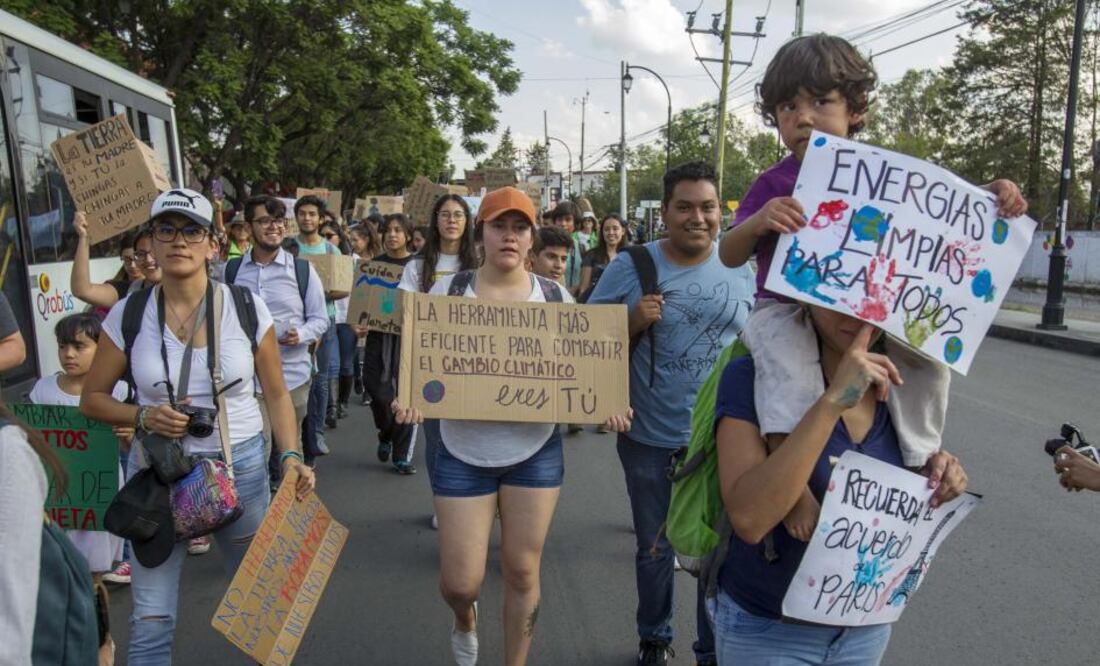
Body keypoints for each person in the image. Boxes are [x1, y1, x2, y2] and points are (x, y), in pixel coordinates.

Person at [716, 34, 1027, 536]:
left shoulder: (882, 173)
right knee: (786, 379)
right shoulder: (774, 182)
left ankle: (921, 457)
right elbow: (730, 254)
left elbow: (941, 209)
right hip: (787, 310)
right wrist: (758, 224)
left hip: (870, 310)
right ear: (775, 117)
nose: (805, 116)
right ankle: (794, 495)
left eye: (821, 101)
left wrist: (989, 199)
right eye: (788, 106)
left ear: (854, 110)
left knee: (929, 364)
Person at [392, 186, 633, 666]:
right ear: (481, 233)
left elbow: (583, 369)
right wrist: (411, 396)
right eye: (499, 225)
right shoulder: (449, 292)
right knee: (461, 583)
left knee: (523, 572)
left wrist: (607, 403)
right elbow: (421, 363)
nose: (510, 236)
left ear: (531, 237)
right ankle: (465, 618)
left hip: (534, 454)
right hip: (461, 452)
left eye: (519, 227)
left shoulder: (555, 297)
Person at [80, 188, 316, 665]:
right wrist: (143, 415)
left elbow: (275, 393)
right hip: (156, 474)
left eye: (191, 230)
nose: (178, 241)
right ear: (152, 242)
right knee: (151, 620)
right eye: (166, 230)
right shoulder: (130, 313)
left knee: (261, 608)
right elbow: (92, 399)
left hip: (240, 470)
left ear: (213, 243)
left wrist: (290, 455)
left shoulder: (246, 307)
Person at [711, 310, 969, 664]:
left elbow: (898, 498)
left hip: (862, 631)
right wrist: (832, 403)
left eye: (872, 297)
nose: (855, 313)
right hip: (768, 631)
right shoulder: (751, 376)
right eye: (841, 296)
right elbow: (750, 519)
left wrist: (941, 471)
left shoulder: (905, 390)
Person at [588, 161, 755, 666]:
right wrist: (631, 320)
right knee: (656, 548)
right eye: (685, 207)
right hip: (650, 436)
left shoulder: (744, 266)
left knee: (717, 555)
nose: (697, 218)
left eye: (707, 207)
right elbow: (581, 339)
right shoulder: (632, 265)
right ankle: (655, 638)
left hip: (726, 439)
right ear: (664, 213)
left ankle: (710, 649)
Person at [29, 312, 131, 661]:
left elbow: (132, 446)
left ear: (101, 350)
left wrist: (128, 434)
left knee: (92, 580)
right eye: (63, 346)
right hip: (56, 502)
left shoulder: (116, 390)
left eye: (79, 346)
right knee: (60, 577)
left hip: (98, 500)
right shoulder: (42, 390)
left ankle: (102, 641)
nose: (69, 354)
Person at [227, 195, 328, 474]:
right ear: (248, 227)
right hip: (247, 383)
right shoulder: (232, 271)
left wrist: (302, 333)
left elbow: (321, 319)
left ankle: (287, 508)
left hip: (291, 377)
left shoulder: (302, 270)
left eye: (279, 221)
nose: (274, 227)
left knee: (288, 453)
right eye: (265, 221)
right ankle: (261, 507)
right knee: (256, 454)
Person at [398, 194, 480, 529]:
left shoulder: (480, 265)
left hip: (474, 365)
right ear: (435, 221)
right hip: (431, 366)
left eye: (458, 215)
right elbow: (407, 315)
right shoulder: (416, 267)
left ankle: (477, 501)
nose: (451, 221)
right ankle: (443, 501)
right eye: (445, 214)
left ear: (467, 221)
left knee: (472, 434)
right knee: (436, 438)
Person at [354, 214, 418, 472]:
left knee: (407, 394)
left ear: (408, 236)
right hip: (379, 338)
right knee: (378, 392)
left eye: (398, 230)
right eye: (388, 230)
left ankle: (402, 456)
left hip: (409, 338)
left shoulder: (418, 267)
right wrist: (359, 323)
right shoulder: (374, 265)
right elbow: (361, 303)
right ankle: (385, 432)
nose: (392, 235)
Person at [295, 194, 341, 458]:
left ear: (320, 218)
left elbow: (343, 290)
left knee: (320, 379)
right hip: (293, 323)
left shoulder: (330, 251)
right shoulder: (289, 248)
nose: (307, 218)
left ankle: (317, 432)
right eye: (302, 213)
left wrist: (315, 292)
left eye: (312, 214)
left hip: (325, 319)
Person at [72, 213, 162, 309]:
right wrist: (84, 237)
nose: (148, 259)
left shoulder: (179, 291)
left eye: (154, 252)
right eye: (141, 254)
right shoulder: (126, 292)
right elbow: (82, 291)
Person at [320, 220, 355, 426]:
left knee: (347, 364)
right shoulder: (310, 258)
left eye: (329, 235)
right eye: (321, 234)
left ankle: (341, 402)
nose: (325, 239)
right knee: (331, 364)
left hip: (348, 318)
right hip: (329, 318)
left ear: (339, 238)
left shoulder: (349, 260)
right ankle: (331, 408)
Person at [578, 213, 627, 303]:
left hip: (623, 308)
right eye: (607, 229)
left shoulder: (629, 256)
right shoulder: (591, 255)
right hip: (596, 307)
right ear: (602, 232)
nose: (611, 232)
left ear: (623, 231)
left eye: (615, 229)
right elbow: (583, 289)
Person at [548, 201, 584, 296]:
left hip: (574, 302)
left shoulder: (581, 247)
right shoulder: (545, 245)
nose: (563, 224)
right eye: (559, 219)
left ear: (575, 223)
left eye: (568, 220)